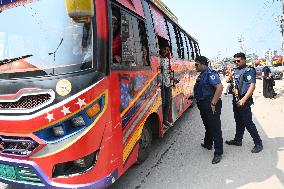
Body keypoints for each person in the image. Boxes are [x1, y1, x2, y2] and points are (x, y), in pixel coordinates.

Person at [225, 52, 263, 153]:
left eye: (238, 60)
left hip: (243, 100)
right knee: (239, 121)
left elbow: (252, 86)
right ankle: (238, 140)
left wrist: (243, 99)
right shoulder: (235, 70)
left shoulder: (249, 70)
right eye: (234, 61)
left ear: (244, 60)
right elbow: (231, 81)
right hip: (236, 99)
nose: (236, 63)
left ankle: (258, 143)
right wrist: (229, 78)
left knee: (248, 123)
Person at [193, 56, 224, 164]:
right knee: (208, 126)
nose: (195, 66)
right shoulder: (202, 75)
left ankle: (218, 152)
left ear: (202, 64)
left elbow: (219, 87)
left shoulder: (210, 74)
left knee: (215, 128)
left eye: (196, 64)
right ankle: (208, 144)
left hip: (210, 105)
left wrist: (213, 103)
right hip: (203, 105)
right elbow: (202, 89)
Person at [159, 44, 178, 129]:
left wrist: (173, 79)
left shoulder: (167, 60)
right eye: (164, 49)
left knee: (167, 103)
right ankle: (162, 121)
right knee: (162, 104)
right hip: (161, 85)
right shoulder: (157, 59)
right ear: (161, 49)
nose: (165, 51)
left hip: (167, 84)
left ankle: (165, 120)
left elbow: (167, 74)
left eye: (167, 50)